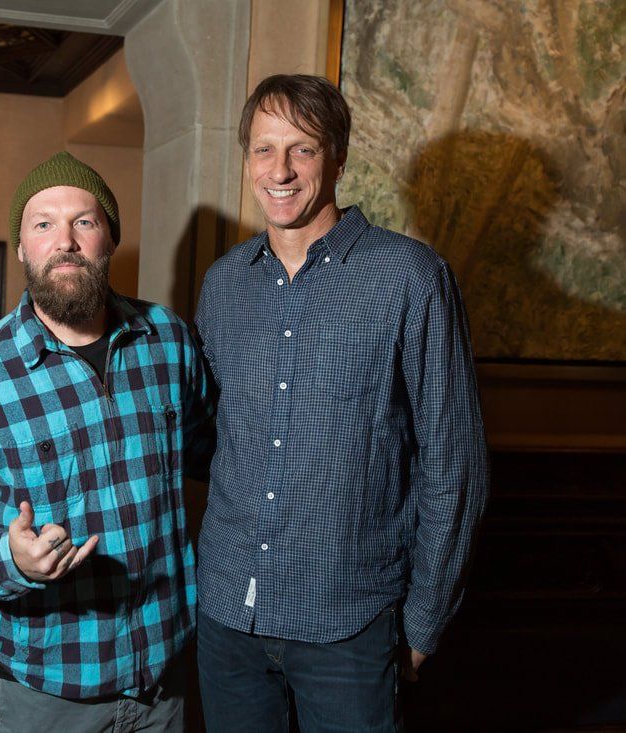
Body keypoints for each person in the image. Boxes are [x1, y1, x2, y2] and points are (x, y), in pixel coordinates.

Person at [194, 74, 489, 732]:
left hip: (348, 627)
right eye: (263, 149)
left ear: (338, 157)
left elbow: (454, 463)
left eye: (302, 148)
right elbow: (213, 438)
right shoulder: (222, 285)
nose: (280, 169)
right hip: (227, 618)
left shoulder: (411, 276)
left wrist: (424, 619)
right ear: (246, 159)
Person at [0, 152, 213, 732]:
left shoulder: (168, 339)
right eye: (43, 223)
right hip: (42, 690)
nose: (64, 240)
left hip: (164, 677)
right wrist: (7, 557)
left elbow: (213, 452)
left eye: (85, 222)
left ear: (110, 240)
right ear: (22, 247)